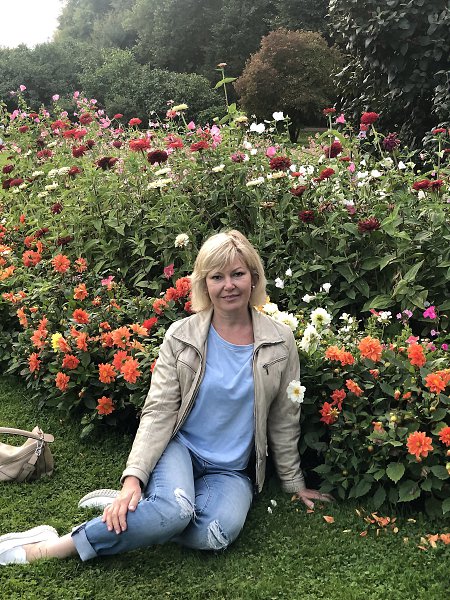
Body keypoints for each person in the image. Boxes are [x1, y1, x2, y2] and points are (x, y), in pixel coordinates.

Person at [0, 230, 331, 565]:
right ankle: (51, 546)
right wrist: (133, 480)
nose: (228, 285)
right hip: (180, 449)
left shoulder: (279, 340)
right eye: (217, 277)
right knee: (175, 513)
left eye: (237, 274)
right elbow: (158, 411)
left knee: (215, 533)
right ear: (204, 284)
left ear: (253, 277)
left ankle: (152, 511)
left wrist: (294, 483)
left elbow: (284, 417)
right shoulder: (182, 336)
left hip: (231, 471)